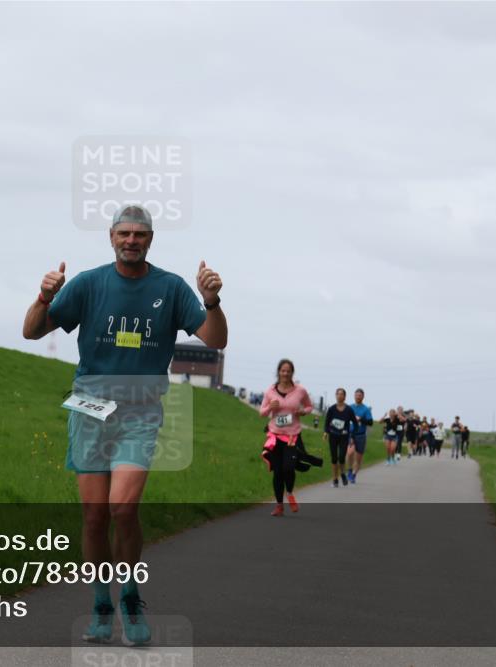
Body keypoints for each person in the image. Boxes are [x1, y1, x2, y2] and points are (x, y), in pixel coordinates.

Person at [22, 204, 228, 645]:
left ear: (150, 239)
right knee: (94, 516)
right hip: (90, 408)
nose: (131, 240)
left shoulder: (169, 288)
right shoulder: (90, 283)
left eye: (139, 234)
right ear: (111, 237)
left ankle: (130, 598)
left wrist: (211, 302)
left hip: (139, 411)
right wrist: (43, 296)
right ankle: (101, 603)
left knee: (123, 508)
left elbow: (215, 339)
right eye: (124, 234)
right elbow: (31, 332)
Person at [260, 359, 315, 516]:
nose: (285, 373)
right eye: (283, 370)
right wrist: (270, 407)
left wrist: (303, 412)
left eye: (288, 371)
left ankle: (289, 492)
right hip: (275, 436)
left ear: (292, 373)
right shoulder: (270, 391)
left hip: (292, 436)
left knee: (288, 468)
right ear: (278, 372)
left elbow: (310, 406)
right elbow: (261, 412)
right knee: (277, 471)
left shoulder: (300, 391)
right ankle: (279, 505)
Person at [323, 387, 354, 487]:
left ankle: (343, 474)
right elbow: (327, 422)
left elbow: (355, 423)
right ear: (336, 395)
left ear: (345, 397)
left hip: (344, 436)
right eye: (338, 394)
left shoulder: (349, 409)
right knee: (334, 458)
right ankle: (335, 479)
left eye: (342, 394)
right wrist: (325, 432)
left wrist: (352, 435)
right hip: (333, 435)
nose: (340, 396)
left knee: (341, 457)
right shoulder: (331, 409)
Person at [347, 388, 373, 484]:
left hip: (361, 435)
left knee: (358, 458)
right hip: (351, 434)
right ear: (354, 396)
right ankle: (349, 470)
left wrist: (360, 419)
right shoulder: (350, 407)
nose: (358, 397)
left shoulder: (365, 409)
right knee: (349, 453)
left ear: (363, 397)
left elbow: (370, 422)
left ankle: (354, 475)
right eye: (356, 395)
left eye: (360, 395)